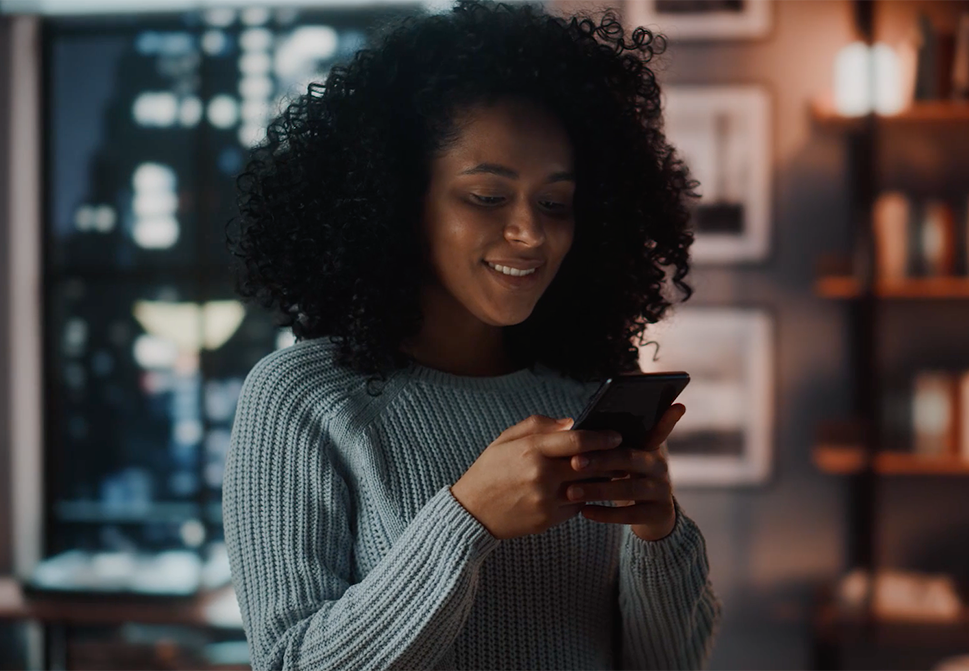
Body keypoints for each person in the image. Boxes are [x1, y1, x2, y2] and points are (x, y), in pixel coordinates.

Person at [223, 1, 722, 668]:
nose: (531, 233)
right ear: (398, 202)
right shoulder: (301, 399)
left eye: (555, 204)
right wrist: (467, 520)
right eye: (487, 197)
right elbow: (290, 661)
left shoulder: (582, 388)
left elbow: (666, 665)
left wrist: (656, 532)